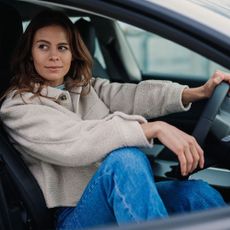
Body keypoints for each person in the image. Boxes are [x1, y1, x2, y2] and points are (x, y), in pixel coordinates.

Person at [0, 9, 229, 230]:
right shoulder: (18, 106)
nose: (54, 56)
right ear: (30, 53)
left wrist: (197, 92)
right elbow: (79, 140)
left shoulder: (82, 88)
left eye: (62, 47)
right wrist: (154, 128)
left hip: (110, 195)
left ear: (73, 53)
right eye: (43, 47)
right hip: (71, 217)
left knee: (198, 195)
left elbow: (133, 95)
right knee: (125, 160)